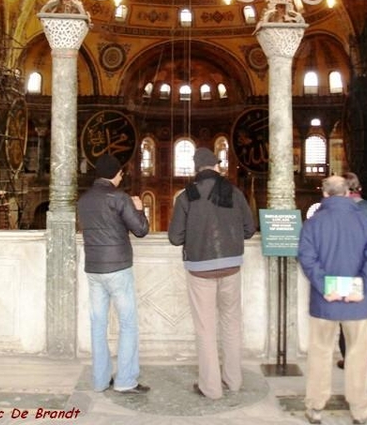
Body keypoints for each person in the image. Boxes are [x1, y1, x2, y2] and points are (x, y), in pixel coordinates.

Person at [168, 147, 257, 400]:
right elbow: (249, 230)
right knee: (231, 324)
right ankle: (234, 381)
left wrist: (193, 233)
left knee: (205, 328)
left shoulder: (187, 195)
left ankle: (211, 388)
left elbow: (175, 238)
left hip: (200, 270)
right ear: (216, 166)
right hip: (231, 267)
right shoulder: (235, 192)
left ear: (197, 169)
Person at [298, 175, 367, 425]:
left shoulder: (313, 223)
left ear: (324, 194)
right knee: (358, 354)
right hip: (358, 303)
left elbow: (307, 258)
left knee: (320, 353)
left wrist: (325, 285)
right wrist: (361, 285)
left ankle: (315, 406)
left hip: (325, 303)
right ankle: (359, 409)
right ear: (347, 193)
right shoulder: (364, 220)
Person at [77, 153, 150, 394]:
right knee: (128, 324)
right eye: (120, 174)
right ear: (116, 175)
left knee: (98, 324)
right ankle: (125, 380)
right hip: (118, 269)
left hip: (94, 269)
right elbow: (140, 230)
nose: (121, 178)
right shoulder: (119, 198)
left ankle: (99, 380)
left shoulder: (84, 200)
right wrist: (140, 209)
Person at [337, 172, 367, 373]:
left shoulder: (337, 210)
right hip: (366, 269)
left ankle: (349, 357)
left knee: (344, 313)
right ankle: (366, 359)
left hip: (343, 269)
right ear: (359, 188)